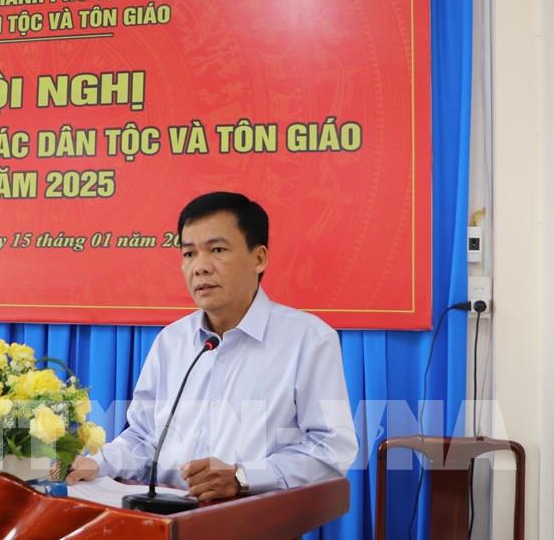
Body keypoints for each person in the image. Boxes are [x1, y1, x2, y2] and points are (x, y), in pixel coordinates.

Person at [63, 192, 357, 501]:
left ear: (259, 258)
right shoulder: (171, 341)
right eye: (189, 254)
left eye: (217, 250)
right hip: (164, 514)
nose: (200, 267)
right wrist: (99, 463)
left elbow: (331, 449)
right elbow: (144, 438)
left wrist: (243, 477)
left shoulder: (308, 339)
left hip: (254, 517)